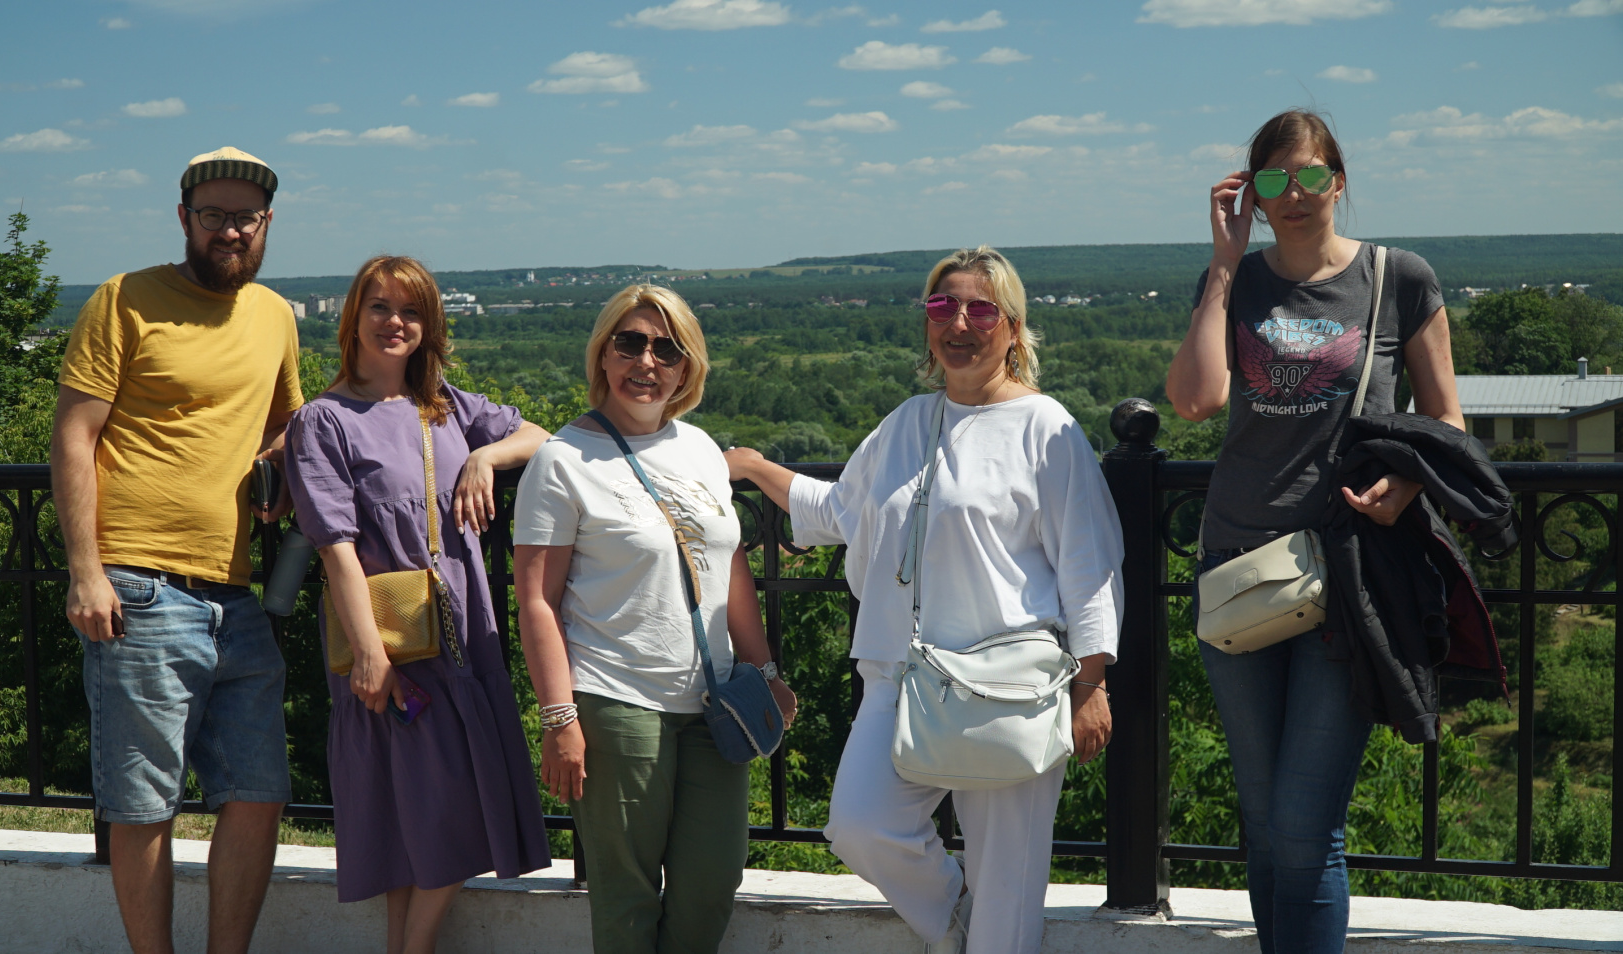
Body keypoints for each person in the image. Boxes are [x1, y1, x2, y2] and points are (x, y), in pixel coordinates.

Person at [726, 246, 1124, 954]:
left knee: (1008, 882)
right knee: (859, 824)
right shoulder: (908, 422)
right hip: (903, 675)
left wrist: (1091, 683)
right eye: (943, 307)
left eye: (981, 310)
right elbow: (841, 509)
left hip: (1011, 684)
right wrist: (756, 467)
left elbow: (1088, 565)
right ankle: (953, 922)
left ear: (1013, 327)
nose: (959, 324)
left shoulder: (1045, 428)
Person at [1165, 110, 1463, 954]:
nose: (1292, 195)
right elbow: (1196, 401)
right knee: (1265, 822)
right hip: (1238, 564)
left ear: (1339, 181)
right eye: (1272, 180)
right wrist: (1224, 264)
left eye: (1309, 176)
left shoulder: (1397, 278)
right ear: (1250, 195)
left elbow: (1446, 419)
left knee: (1304, 827)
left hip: (1348, 570)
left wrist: (1409, 482)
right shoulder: (1234, 281)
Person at [53, 146, 301, 954]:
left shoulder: (276, 315)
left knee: (259, 791)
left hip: (237, 593)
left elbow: (283, 425)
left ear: (267, 222)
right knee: (143, 805)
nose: (231, 231)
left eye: (245, 218)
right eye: (214, 216)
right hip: (139, 587)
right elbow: (75, 435)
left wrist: (279, 468)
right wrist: (86, 572)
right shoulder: (124, 299)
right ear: (185, 218)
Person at [513, 284, 799, 954]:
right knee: (627, 898)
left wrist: (765, 672)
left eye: (667, 349)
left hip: (715, 706)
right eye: (631, 343)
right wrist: (559, 719)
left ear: (686, 366)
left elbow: (728, 569)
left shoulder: (698, 449)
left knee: (712, 884)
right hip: (617, 702)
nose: (647, 362)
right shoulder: (562, 461)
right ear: (603, 353)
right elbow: (536, 601)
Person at [284, 255, 552, 954]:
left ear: (428, 326)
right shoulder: (324, 421)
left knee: (436, 807)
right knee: (422, 806)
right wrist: (370, 653)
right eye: (379, 306)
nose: (394, 322)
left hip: (462, 635)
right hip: (394, 642)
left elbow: (539, 437)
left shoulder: (446, 407)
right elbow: (335, 548)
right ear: (353, 317)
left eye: (411, 311)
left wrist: (484, 458)